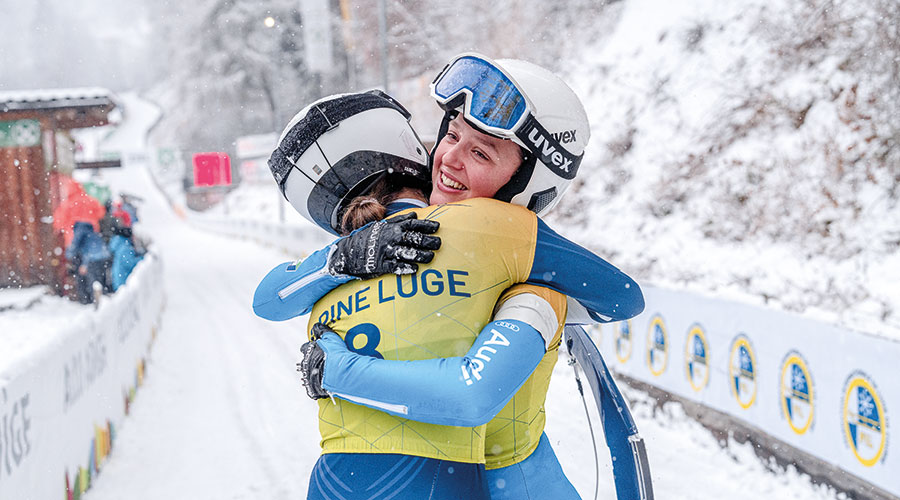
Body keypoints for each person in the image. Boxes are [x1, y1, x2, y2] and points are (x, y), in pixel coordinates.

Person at [256, 56, 642, 499]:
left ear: (524, 181)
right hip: (489, 479)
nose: (450, 159)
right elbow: (619, 299)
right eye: (452, 136)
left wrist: (337, 362)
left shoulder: (497, 241)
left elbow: (270, 300)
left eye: (480, 152)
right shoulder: (402, 241)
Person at [66, 221, 112, 304]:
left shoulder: (80, 232)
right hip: (105, 258)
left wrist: (84, 264)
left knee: (93, 283)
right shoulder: (93, 233)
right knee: (102, 281)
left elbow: (84, 250)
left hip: (93, 260)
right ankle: (105, 301)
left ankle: (97, 304)